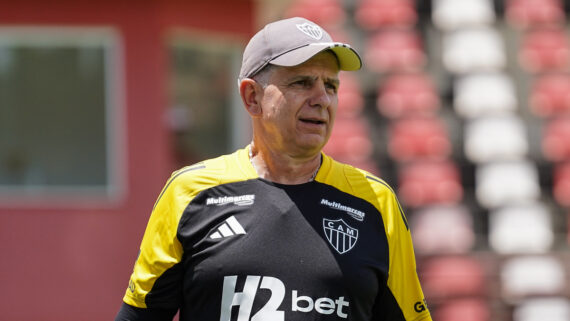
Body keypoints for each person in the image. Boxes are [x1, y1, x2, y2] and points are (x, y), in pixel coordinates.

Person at [115, 17, 432, 321]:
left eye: (331, 86)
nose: (322, 99)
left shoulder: (376, 202)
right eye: (302, 82)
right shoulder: (189, 193)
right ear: (252, 97)